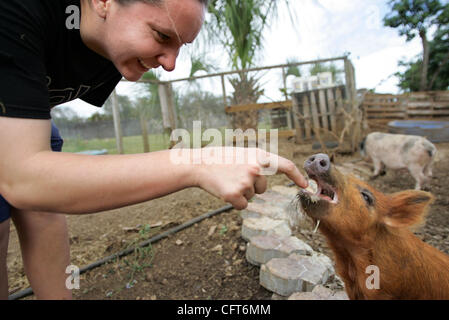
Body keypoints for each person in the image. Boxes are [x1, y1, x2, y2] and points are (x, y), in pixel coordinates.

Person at [0, 0, 308, 300]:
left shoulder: (111, 45)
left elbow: (41, 184)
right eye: (162, 36)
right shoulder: (19, 10)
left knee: (44, 211)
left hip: (24, 118)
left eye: (180, 46)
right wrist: (197, 163)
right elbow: (23, 177)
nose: (171, 64)